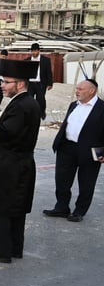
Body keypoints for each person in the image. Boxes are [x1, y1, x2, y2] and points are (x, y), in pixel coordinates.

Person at [0, 59, 42, 263]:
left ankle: (1, 250)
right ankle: (13, 248)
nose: (1, 85)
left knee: (0, 207)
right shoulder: (27, 102)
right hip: (19, 163)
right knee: (15, 208)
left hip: (10, 164)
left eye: (6, 81)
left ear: (20, 83)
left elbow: (7, 133)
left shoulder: (22, 105)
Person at [44, 78, 104, 222]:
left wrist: (102, 153)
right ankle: (62, 207)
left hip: (90, 151)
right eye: (77, 88)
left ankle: (79, 211)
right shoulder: (73, 105)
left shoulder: (102, 108)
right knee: (62, 180)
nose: (76, 91)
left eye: (80, 89)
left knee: (86, 183)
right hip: (67, 147)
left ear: (92, 91)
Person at [28, 43, 55, 120]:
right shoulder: (27, 60)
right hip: (30, 84)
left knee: (41, 99)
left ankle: (42, 112)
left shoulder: (45, 60)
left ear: (39, 51)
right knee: (29, 99)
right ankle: (31, 114)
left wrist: (50, 83)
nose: (34, 52)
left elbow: (49, 72)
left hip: (41, 84)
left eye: (35, 51)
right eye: (32, 51)